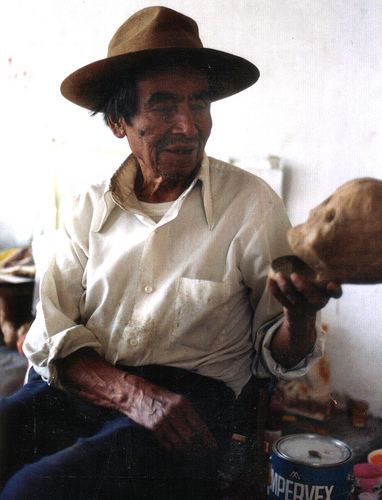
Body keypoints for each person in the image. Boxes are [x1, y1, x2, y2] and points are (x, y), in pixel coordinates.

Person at [0, 6, 342, 499]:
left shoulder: (250, 204)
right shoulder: (85, 209)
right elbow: (50, 335)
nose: (188, 125)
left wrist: (301, 315)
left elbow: (279, 355)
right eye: (162, 106)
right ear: (119, 121)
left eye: (199, 104)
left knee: (33, 492)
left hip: (189, 409)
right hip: (84, 386)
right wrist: (133, 394)